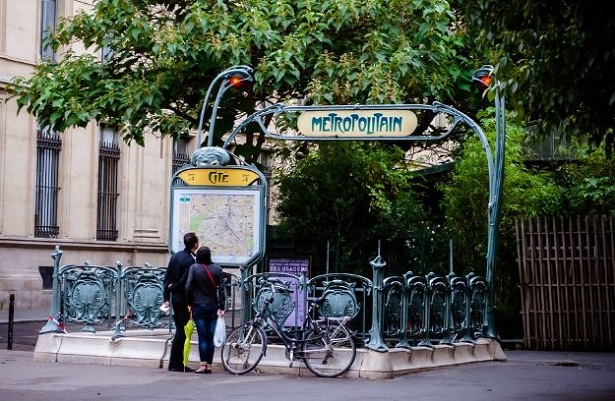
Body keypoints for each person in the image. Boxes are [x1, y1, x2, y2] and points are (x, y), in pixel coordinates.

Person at [185, 246, 226, 374]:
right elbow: (222, 290)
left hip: (198, 306)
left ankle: (203, 365)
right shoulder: (218, 269)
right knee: (210, 337)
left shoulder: (194, 268)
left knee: (202, 337)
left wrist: (190, 302)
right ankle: (209, 365)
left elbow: (188, 287)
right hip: (213, 306)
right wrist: (222, 306)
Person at [162, 232, 199, 372]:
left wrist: (167, 296)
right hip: (184, 299)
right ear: (195, 244)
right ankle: (176, 363)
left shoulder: (176, 256)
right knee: (182, 332)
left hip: (175, 298)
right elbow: (185, 282)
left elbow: (167, 277)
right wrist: (173, 288)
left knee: (180, 330)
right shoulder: (190, 261)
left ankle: (175, 362)